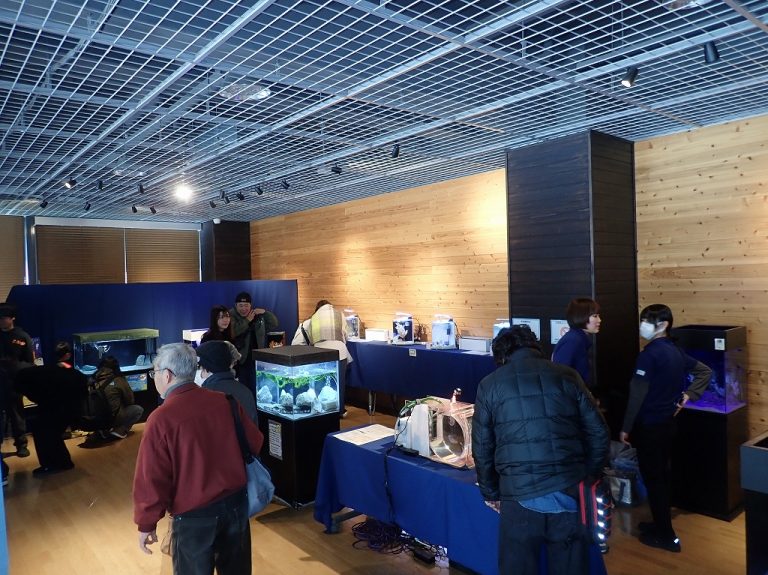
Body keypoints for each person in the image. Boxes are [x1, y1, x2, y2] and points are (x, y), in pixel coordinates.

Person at [472, 325, 610, 575]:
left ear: (501, 356)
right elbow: (599, 432)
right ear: (535, 346)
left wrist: (490, 492)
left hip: (517, 496)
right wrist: (586, 475)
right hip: (569, 491)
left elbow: (482, 447)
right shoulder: (568, 375)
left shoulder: (489, 385)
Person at [133, 342, 264, 575]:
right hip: (236, 506)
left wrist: (147, 523)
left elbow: (151, 477)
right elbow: (255, 442)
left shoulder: (160, 419)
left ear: (167, 375)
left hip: (194, 516)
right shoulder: (226, 401)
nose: (155, 378)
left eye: (155, 373)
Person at [620, 304, 712, 553]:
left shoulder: (649, 355)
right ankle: (660, 524)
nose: (643, 325)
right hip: (668, 425)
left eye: (648, 321)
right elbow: (704, 371)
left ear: (664, 325)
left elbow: (636, 395)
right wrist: (689, 395)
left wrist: (625, 427)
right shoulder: (674, 351)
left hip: (650, 427)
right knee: (661, 477)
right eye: (642, 320)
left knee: (655, 480)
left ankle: (666, 536)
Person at [15, 342, 87, 476]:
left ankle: (51, 464)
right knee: (52, 434)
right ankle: (64, 462)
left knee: (46, 433)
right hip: (69, 411)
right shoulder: (77, 374)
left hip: (52, 410)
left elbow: (23, 381)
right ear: (68, 355)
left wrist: (36, 399)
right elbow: (83, 392)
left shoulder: (44, 371)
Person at [291, 300, 351, 417]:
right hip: (340, 352)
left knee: (321, 381)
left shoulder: (312, 319)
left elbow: (304, 340)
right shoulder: (339, 315)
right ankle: (339, 410)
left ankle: (322, 410)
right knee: (339, 383)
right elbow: (345, 335)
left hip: (321, 352)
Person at [0, 302, 34, 458]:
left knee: (16, 415)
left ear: (12, 318)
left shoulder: (22, 336)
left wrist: (17, 369)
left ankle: (21, 445)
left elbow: (29, 361)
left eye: (3, 318)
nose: (1, 321)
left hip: (14, 383)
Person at [196, 340, 257, 423]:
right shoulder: (246, 392)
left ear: (208, 368)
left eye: (200, 368)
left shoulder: (204, 395)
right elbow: (253, 427)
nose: (199, 372)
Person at [230, 292, 278, 395]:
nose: (243, 308)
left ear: (250, 305)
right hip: (240, 361)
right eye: (240, 305)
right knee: (243, 389)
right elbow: (234, 332)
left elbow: (274, 323)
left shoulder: (257, 316)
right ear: (236, 306)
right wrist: (247, 320)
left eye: (246, 305)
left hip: (257, 359)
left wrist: (265, 312)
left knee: (256, 387)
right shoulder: (231, 315)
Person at [90, 356, 144, 441]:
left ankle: (102, 430)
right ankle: (119, 431)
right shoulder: (118, 379)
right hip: (111, 418)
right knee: (138, 410)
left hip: (94, 418)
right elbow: (130, 400)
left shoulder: (92, 380)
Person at [552, 297, 601, 390]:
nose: (599, 320)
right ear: (581, 317)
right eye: (595, 316)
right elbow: (560, 377)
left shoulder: (578, 338)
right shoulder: (573, 341)